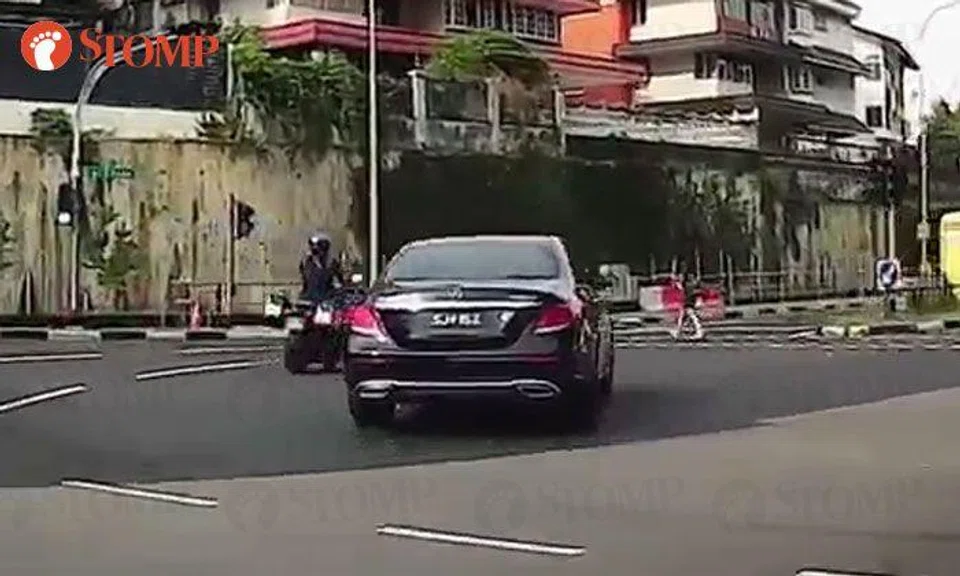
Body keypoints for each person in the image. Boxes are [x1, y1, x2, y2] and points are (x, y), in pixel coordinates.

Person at [299, 232, 345, 303]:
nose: (315, 249)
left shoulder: (331, 263)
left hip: (326, 300)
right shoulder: (306, 262)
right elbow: (305, 281)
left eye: (319, 246)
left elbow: (339, 281)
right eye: (312, 245)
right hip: (309, 300)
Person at [670, 272, 704, 340]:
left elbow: (680, 286)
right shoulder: (693, 284)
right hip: (688, 302)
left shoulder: (688, 285)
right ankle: (678, 332)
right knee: (683, 318)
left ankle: (698, 332)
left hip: (688, 302)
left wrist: (675, 279)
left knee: (692, 317)